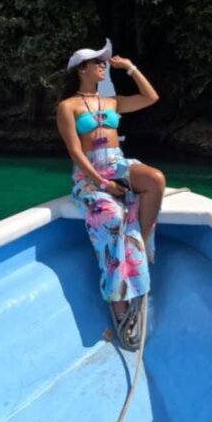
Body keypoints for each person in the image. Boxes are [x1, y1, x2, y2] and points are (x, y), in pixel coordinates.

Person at [56, 40, 165, 350]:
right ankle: (117, 300)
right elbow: (75, 152)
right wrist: (102, 185)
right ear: (82, 69)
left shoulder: (112, 102)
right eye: (97, 63)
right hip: (89, 176)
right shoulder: (68, 106)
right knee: (114, 218)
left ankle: (139, 246)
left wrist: (129, 67)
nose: (103, 66)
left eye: (104, 62)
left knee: (155, 180)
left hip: (117, 163)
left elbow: (150, 97)